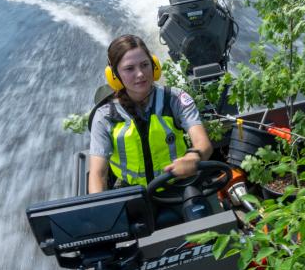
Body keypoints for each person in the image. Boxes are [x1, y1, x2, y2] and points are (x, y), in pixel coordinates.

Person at [88, 34, 212, 195]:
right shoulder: (105, 116)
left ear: (154, 66)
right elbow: (98, 174)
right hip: (131, 193)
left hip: (178, 186)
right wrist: (100, 208)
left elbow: (203, 144)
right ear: (114, 75)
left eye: (145, 65)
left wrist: (194, 157)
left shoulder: (175, 99)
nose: (140, 74)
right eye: (129, 68)